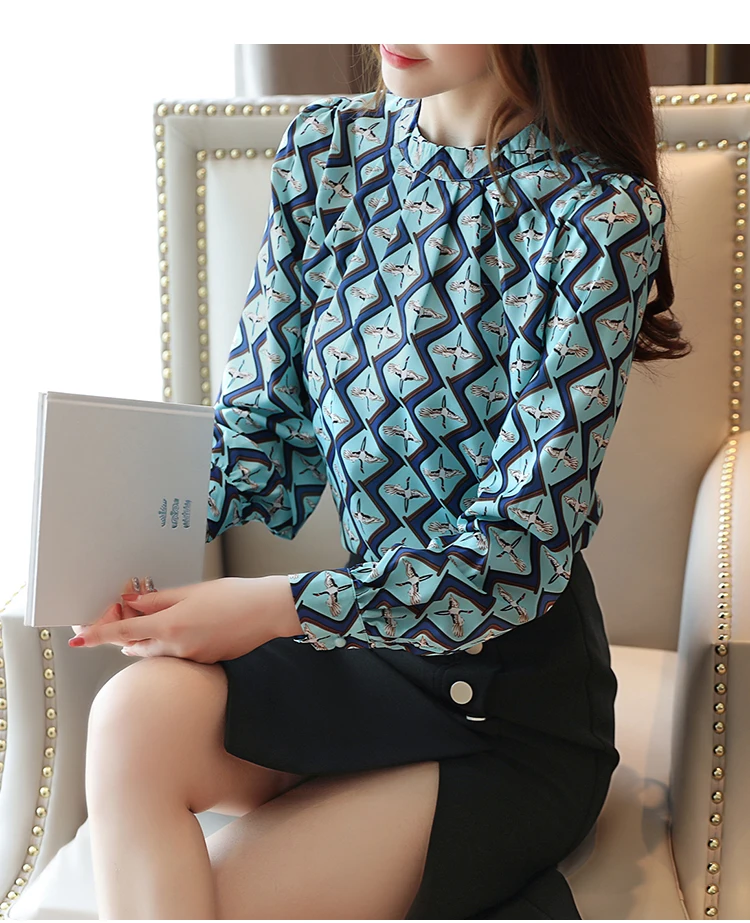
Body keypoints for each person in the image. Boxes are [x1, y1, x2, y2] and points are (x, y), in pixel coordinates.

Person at [72, 45, 690, 920]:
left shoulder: (599, 218)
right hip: (360, 654)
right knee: (130, 716)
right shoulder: (329, 150)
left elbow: (517, 553)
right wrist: (97, 537)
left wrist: (277, 606)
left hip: (507, 706)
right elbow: (260, 434)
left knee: (221, 903)